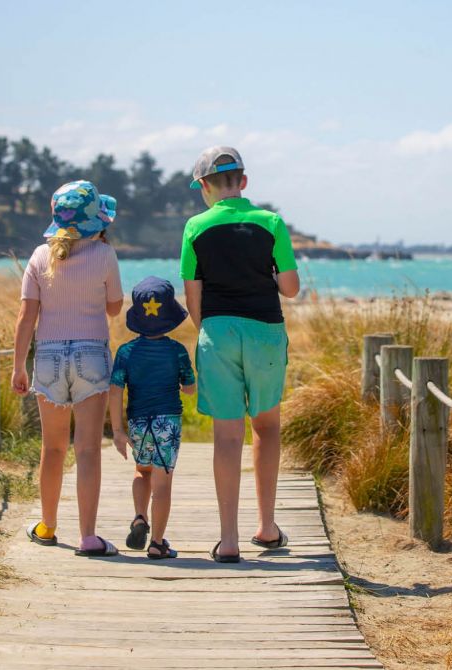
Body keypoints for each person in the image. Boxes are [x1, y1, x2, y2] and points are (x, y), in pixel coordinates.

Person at [180, 146, 300, 563]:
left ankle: (228, 540)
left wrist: (211, 332)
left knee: (227, 437)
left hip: (217, 331)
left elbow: (192, 296)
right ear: (243, 182)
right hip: (266, 330)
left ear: (204, 187)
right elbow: (290, 288)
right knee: (266, 427)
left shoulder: (195, 227)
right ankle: (267, 527)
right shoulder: (271, 223)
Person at [12, 180, 124, 557]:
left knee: (53, 448)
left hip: (47, 356)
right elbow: (113, 308)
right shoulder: (105, 255)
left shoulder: (40, 256)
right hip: (91, 354)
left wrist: (18, 367)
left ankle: (47, 525)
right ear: (97, 220)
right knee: (88, 449)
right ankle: (89, 536)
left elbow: (26, 317)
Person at [108, 277, 196, 559]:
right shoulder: (177, 351)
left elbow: (115, 391)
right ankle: (157, 542)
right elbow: (190, 388)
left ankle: (139, 516)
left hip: (137, 422)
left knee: (141, 471)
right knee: (163, 483)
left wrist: (118, 431)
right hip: (167, 423)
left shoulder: (126, 352)